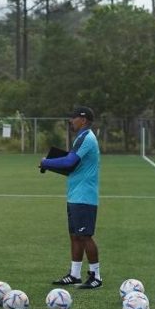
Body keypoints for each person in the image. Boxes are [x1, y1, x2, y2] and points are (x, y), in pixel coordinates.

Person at [40, 106, 102, 289]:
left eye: (74, 117)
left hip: (84, 196)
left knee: (85, 236)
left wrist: (46, 162)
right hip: (76, 194)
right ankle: (75, 275)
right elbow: (71, 165)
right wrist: (52, 164)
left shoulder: (87, 138)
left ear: (83, 120)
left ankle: (96, 276)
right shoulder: (81, 137)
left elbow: (70, 161)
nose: (71, 120)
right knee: (75, 236)